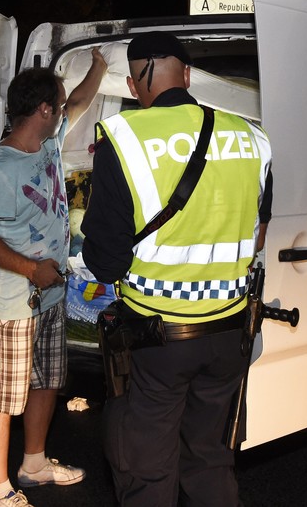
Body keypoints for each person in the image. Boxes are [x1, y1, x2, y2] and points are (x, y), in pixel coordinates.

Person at [80, 32, 274, 507]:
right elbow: (260, 232)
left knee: (146, 466)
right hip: (229, 334)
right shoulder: (252, 137)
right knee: (209, 458)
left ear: (132, 83)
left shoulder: (123, 140)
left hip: (158, 339)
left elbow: (105, 260)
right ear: (187, 76)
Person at [0, 48, 106, 507]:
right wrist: (30, 269)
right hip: (13, 301)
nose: (65, 110)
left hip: (48, 293)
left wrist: (99, 67)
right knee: (5, 396)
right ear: (43, 110)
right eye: (58, 106)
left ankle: (35, 464)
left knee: (47, 380)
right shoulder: (1, 170)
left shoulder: (47, 142)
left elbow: (79, 100)